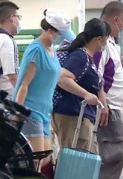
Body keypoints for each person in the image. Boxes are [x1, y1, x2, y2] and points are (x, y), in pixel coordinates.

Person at [12, 9, 71, 173]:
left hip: (45, 112)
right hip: (31, 112)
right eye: (58, 33)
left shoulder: (51, 51)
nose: (59, 36)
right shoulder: (36, 50)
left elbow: (53, 73)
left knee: (43, 159)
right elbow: (24, 84)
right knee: (36, 160)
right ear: (50, 30)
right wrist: (17, 114)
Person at [52, 18, 110, 153]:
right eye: (106, 39)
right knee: (76, 164)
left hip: (79, 117)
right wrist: (86, 94)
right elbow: (62, 78)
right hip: (73, 117)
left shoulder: (87, 57)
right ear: (99, 39)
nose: (106, 43)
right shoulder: (81, 57)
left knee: (86, 163)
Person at [93, 1, 123, 179]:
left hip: (112, 108)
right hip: (108, 109)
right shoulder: (102, 43)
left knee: (113, 155)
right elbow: (95, 75)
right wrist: (104, 104)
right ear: (116, 20)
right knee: (113, 156)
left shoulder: (110, 43)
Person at [0, 1, 21, 98]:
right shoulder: (7, 41)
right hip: (6, 99)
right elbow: (12, 76)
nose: (19, 21)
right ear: (12, 18)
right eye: (19, 17)